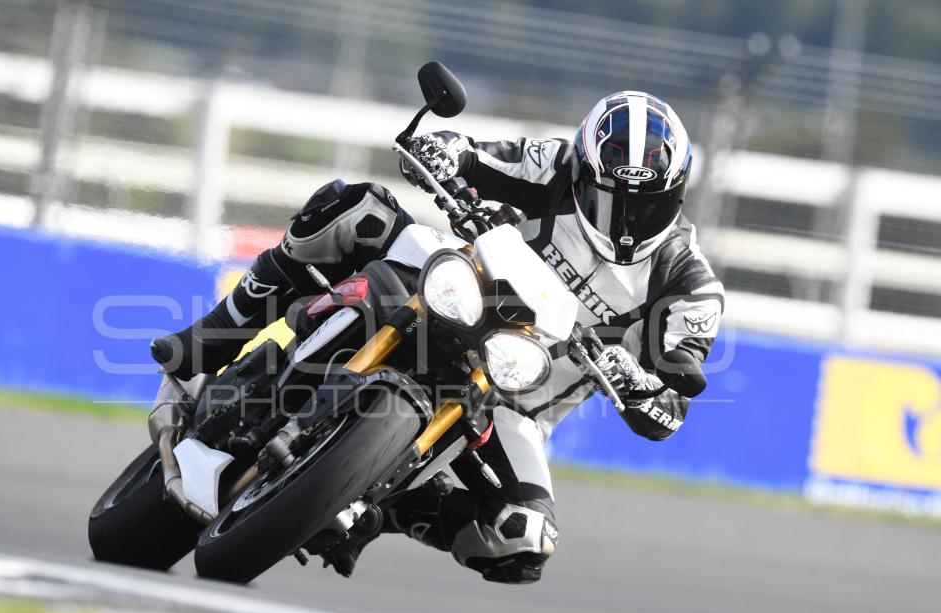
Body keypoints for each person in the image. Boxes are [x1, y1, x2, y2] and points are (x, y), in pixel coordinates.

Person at [151, 91, 724, 584]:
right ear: (581, 174)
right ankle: (214, 337)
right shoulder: (554, 165)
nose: (625, 221)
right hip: (457, 296)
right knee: (355, 209)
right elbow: (472, 154)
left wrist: (645, 387)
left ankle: (381, 503)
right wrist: (443, 152)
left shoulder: (690, 285)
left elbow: (672, 404)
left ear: (676, 197)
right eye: (610, 200)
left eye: (647, 206)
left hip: (514, 401)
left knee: (522, 539)